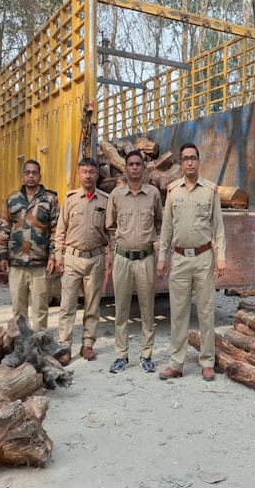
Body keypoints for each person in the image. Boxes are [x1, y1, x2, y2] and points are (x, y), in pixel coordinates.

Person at [157, 143, 226, 381]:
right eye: (185, 158)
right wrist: (162, 257)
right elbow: (166, 228)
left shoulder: (210, 191)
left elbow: (218, 227)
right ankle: (176, 363)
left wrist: (221, 257)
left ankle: (207, 362)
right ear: (181, 163)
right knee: (178, 313)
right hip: (179, 259)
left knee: (206, 312)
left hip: (204, 258)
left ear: (198, 161)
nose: (189, 162)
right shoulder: (173, 191)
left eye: (193, 158)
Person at [105, 150, 163, 374]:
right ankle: (121, 355)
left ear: (144, 168)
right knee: (121, 309)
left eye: (139, 164)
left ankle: (146, 355)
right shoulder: (116, 195)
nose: (135, 168)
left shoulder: (153, 194)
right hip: (122, 258)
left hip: (145, 259)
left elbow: (159, 222)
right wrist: (114, 248)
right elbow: (110, 226)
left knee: (147, 309)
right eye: (131, 164)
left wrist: (155, 245)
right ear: (126, 168)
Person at [54, 157, 110, 365]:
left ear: (97, 175)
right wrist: (58, 255)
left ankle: (88, 344)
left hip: (95, 258)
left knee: (92, 305)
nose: (88, 176)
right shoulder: (70, 199)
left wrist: (110, 256)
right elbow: (60, 230)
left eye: (91, 172)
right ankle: (64, 346)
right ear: (79, 174)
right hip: (72, 258)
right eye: (84, 172)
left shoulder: (105, 201)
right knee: (67, 306)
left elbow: (111, 231)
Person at [0, 159, 60, 332]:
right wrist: (2, 255)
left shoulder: (49, 199)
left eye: (34, 173)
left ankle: (40, 342)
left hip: (40, 263)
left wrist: (53, 256)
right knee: (18, 311)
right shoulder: (12, 200)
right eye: (27, 172)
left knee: (40, 309)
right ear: (23, 176)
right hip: (16, 263)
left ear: (40, 176)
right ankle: (20, 342)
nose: (31, 176)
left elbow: (55, 230)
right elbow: (5, 228)